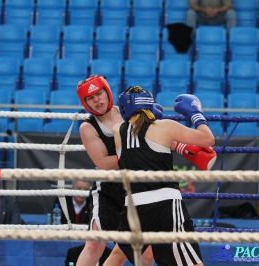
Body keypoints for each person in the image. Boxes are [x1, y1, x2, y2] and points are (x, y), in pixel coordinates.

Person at [75, 75, 216, 266]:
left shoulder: (123, 122)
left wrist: (178, 147)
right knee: (95, 243)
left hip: (134, 192)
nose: (97, 100)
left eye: (99, 94)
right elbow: (104, 163)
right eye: (90, 98)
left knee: (138, 254)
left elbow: (155, 141)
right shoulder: (89, 127)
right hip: (110, 190)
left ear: (108, 93)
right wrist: (141, 151)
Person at [112, 86, 214, 265]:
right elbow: (208, 139)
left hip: (133, 208)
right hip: (166, 205)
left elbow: (143, 146)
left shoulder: (117, 130)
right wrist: (196, 114)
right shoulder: (165, 126)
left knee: (120, 255)